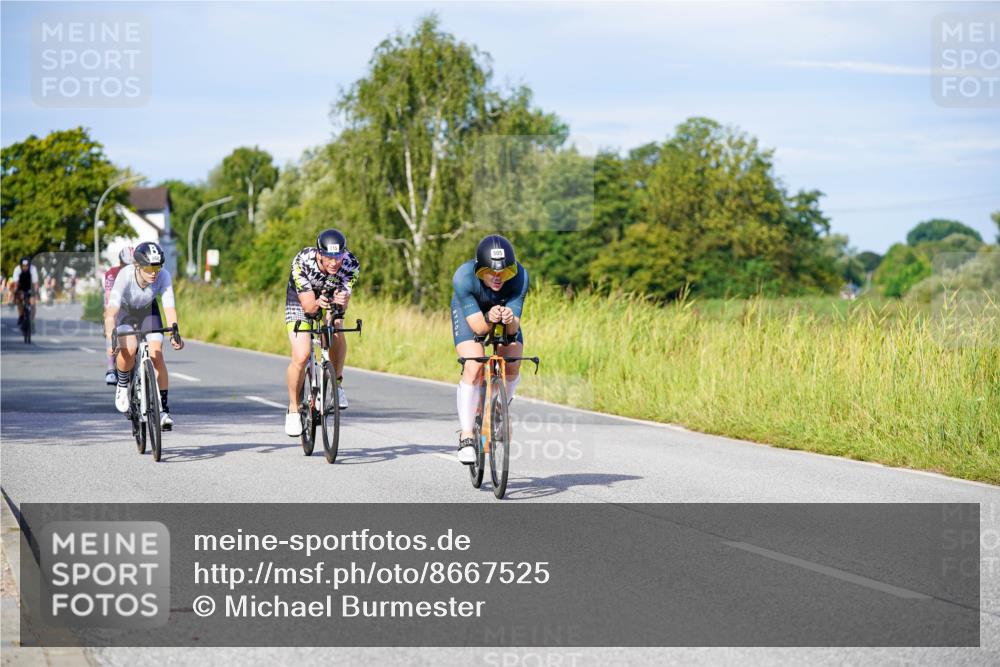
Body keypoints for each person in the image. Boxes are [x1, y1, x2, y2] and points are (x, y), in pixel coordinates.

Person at [451, 234, 528, 464]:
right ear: (479, 269)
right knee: (474, 365)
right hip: (473, 314)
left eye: (504, 272)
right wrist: (489, 316)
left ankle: (497, 408)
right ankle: (466, 436)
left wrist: (507, 318)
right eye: (492, 272)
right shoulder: (464, 278)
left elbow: (514, 327)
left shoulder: (520, 277)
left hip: (502, 314)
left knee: (513, 360)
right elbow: (478, 328)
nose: (498, 277)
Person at [283, 228, 360, 437]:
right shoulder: (303, 261)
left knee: (336, 329)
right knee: (302, 355)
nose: (334, 262)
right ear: (319, 254)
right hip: (301, 301)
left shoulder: (351, 263)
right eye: (329, 257)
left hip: (329, 295)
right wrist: (317, 303)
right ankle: (292, 408)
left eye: (338, 257)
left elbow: (342, 303)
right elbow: (309, 308)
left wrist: (341, 302)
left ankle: (337, 384)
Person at [105, 241, 184, 430]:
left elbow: (169, 307)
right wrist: (111, 339)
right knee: (129, 348)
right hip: (126, 311)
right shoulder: (125, 276)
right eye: (149, 268)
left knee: (157, 353)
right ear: (138, 266)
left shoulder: (163, 276)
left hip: (149, 311)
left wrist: (175, 332)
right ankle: (123, 385)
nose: (154, 272)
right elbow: (111, 313)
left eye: (157, 266)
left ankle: (163, 410)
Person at [103, 247, 134, 385]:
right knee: (110, 322)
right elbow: (109, 299)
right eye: (126, 265)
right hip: (116, 304)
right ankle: (111, 368)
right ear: (120, 263)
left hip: (134, 306)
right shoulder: (111, 274)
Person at [12, 257, 39, 330]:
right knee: (18, 300)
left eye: (27, 266)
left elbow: (35, 283)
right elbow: (16, 283)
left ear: (29, 265)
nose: (25, 267)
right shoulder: (17, 269)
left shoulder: (33, 269)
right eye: (23, 266)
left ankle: (32, 320)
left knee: (33, 303)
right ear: (20, 265)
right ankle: (21, 316)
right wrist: (16, 292)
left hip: (30, 286)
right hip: (21, 286)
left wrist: (36, 292)